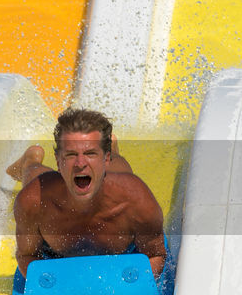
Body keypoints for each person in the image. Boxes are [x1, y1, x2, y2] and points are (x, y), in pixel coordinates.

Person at [11, 108, 167, 281]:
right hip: (54, 247)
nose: (80, 163)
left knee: (121, 169)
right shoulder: (35, 200)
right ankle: (30, 158)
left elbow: (155, 254)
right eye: (70, 155)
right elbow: (27, 256)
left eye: (90, 153)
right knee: (34, 174)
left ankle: (112, 147)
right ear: (58, 160)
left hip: (114, 180)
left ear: (105, 158)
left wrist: (132, 288)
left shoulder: (135, 199)